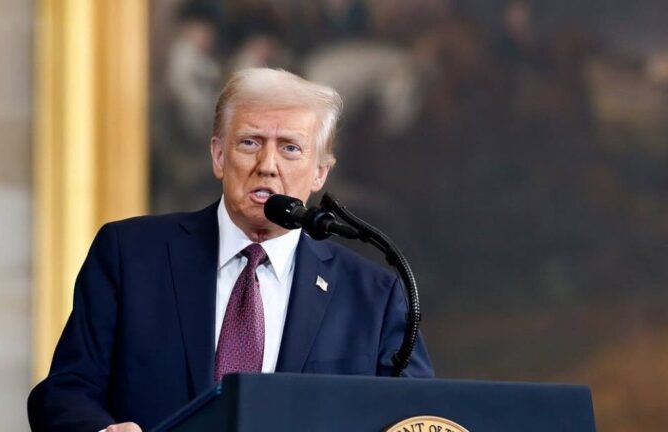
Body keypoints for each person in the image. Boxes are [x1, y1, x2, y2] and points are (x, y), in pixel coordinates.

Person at [28, 68, 434, 432]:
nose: (267, 165)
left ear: (319, 172)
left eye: (290, 147)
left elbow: (419, 417)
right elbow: (66, 391)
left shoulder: (372, 296)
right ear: (219, 156)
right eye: (249, 143)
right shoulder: (130, 256)